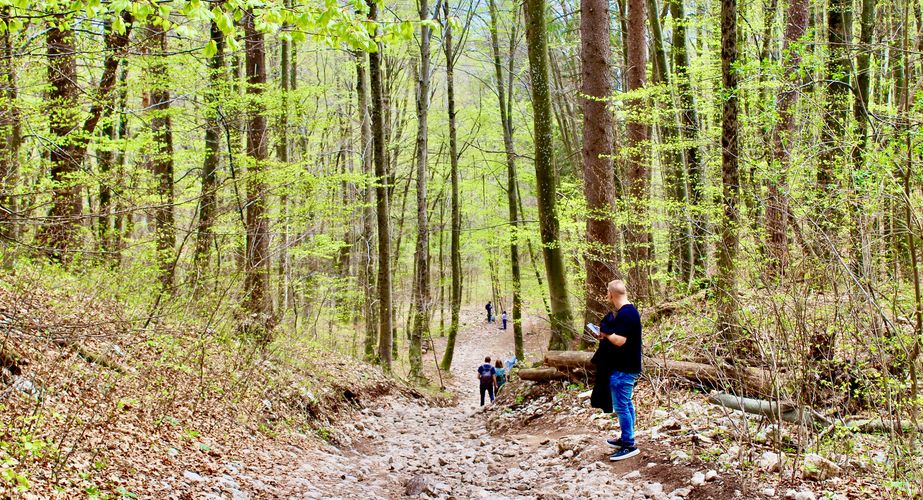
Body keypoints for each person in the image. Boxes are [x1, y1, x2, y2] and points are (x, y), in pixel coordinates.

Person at [588, 279, 642, 461]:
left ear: (611, 294)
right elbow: (619, 337)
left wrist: (606, 333)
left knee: (621, 405)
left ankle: (629, 444)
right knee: (626, 404)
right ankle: (627, 438)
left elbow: (620, 340)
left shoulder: (627, 314)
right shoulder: (628, 312)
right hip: (626, 366)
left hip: (624, 368)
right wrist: (605, 334)